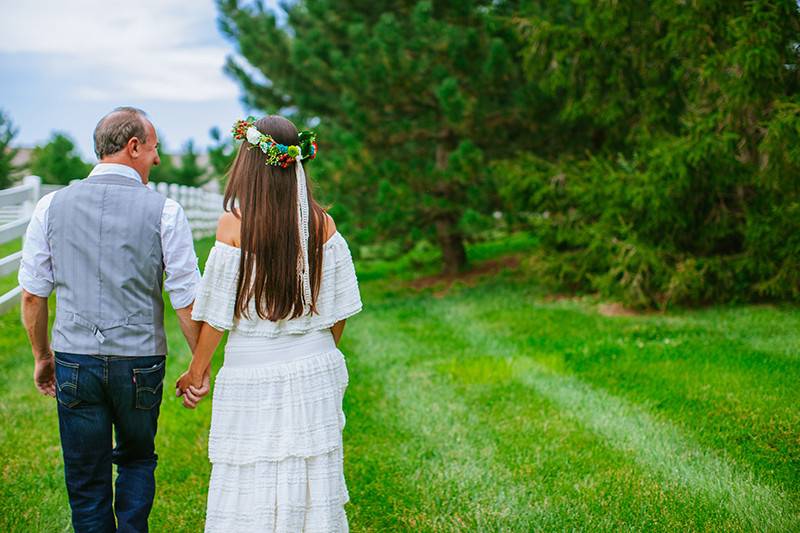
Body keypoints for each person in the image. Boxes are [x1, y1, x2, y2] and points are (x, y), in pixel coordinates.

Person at [19, 106, 208, 532]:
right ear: (134, 146)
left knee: (86, 477)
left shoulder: (51, 206)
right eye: (155, 149)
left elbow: (33, 292)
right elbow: (185, 298)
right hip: (139, 363)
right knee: (138, 458)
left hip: (75, 359)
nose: (157, 160)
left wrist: (41, 356)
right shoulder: (166, 211)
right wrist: (199, 366)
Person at [176, 115, 362, 532]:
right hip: (314, 364)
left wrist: (197, 371)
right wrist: (320, 350)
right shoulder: (323, 225)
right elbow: (339, 310)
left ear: (248, 166)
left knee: (249, 473)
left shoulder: (234, 226)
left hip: (251, 371)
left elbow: (218, 316)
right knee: (310, 470)